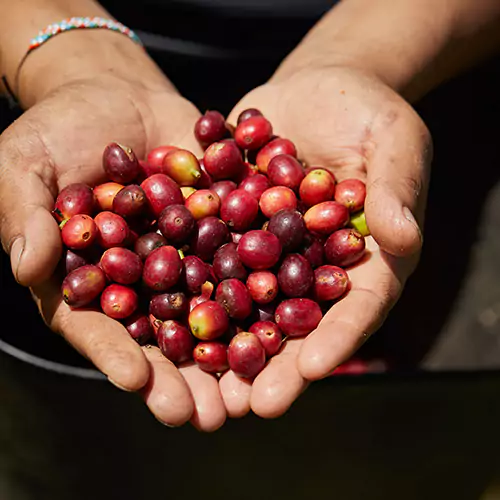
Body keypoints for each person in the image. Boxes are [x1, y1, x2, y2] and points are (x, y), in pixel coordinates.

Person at [0, 0, 499, 433]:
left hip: (412, 50)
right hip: (90, 50)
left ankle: (362, 376)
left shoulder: (254, 223)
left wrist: (362, 59)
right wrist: (64, 57)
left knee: (401, 291)